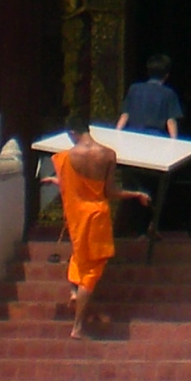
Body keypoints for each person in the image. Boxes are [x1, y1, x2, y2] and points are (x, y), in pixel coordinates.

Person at [51, 117, 149, 338]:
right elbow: (110, 192)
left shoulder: (69, 156)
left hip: (79, 216)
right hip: (98, 215)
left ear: (72, 134)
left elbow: (69, 186)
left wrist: (55, 181)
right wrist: (136, 194)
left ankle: (74, 292)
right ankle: (77, 326)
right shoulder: (107, 154)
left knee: (80, 255)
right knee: (92, 271)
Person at [115, 52, 183, 140]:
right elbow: (171, 121)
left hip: (132, 136)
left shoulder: (134, 88)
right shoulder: (169, 93)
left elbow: (124, 115)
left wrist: (117, 134)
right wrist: (174, 142)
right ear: (167, 75)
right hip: (155, 138)